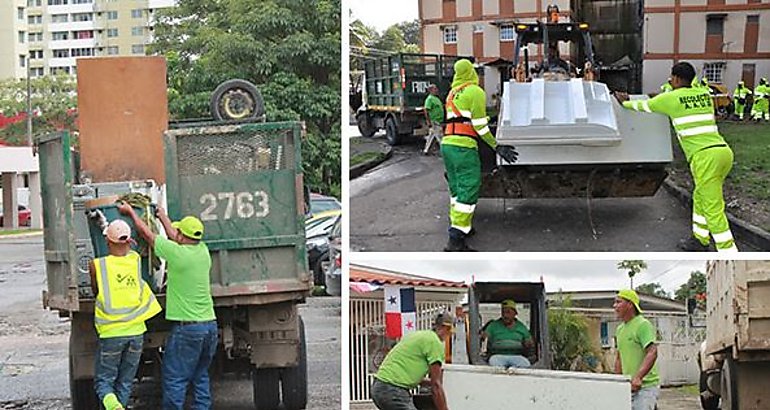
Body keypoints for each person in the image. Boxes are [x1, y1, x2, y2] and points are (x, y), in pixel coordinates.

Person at [616, 62, 738, 252]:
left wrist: (624, 101)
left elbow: (644, 105)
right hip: (723, 152)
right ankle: (699, 240)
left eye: (672, 77)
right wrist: (663, 94)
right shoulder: (703, 94)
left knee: (714, 209)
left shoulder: (670, 99)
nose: (670, 80)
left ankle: (729, 253)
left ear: (677, 79)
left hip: (704, 157)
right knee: (700, 197)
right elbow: (672, 95)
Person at [118, 203, 218, 409]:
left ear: (182, 236)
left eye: (178, 232)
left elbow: (147, 235)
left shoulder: (177, 254)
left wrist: (131, 214)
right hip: (210, 327)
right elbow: (175, 237)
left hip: (188, 329)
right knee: (200, 375)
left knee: (175, 379)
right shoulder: (202, 251)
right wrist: (162, 216)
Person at [441, 58, 518, 251]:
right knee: (469, 188)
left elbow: (462, 117)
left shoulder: (452, 93)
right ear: (471, 72)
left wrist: (485, 117)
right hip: (463, 146)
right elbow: (479, 127)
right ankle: (456, 239)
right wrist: (496, 146)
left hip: (447, 144)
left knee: (457, 188)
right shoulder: (475, 91)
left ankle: (462, 227)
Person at [90, 219, 162, 410]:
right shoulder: (135, 260)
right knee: (125, 381)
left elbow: (96, 290)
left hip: (111, 333)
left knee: (103, 382)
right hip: (136, 332)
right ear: (129, 242)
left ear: (107, 242)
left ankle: (113, 407)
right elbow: (132, 250)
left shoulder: (97, 265)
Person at [370, 312, 454, 410]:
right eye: (450, 331)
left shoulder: (419, 335)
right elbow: (436, 385)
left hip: (380, 387)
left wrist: (435, 383)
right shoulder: (434, 342)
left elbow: (409, 375)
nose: (450, 335)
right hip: (392, 390)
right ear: (445, 328)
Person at [613, 290, 660, 410]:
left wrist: (638, 377)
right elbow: (619, 358)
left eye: (618, 302)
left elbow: (652, 352)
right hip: (628, 386)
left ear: (630, 304)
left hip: (645, 386)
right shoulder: (620, 329)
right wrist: (617, 380)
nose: (614, 306)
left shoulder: (642, 325)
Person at [481, 299, 534, 369]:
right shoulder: (493, 325)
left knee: (525, 364)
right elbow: (484, 338)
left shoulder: (522, 327)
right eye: (503, 312)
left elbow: (530, 343)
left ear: (515, 313)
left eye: (508, 312)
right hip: (497, 356)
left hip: (517, 357)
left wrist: (529, 344)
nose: (505, 315)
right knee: (493, 363)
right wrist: (483, 336)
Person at [423, 84, 444, 155]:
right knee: (440, 137)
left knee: (431, 136)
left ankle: (426, 150)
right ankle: (444, 152)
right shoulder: (429, 99)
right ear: (431, 90)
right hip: (434, 121)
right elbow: (426, 110)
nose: (437, 90)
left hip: (438, 120)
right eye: (435, 89)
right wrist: (428, 121)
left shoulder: (436, 98)